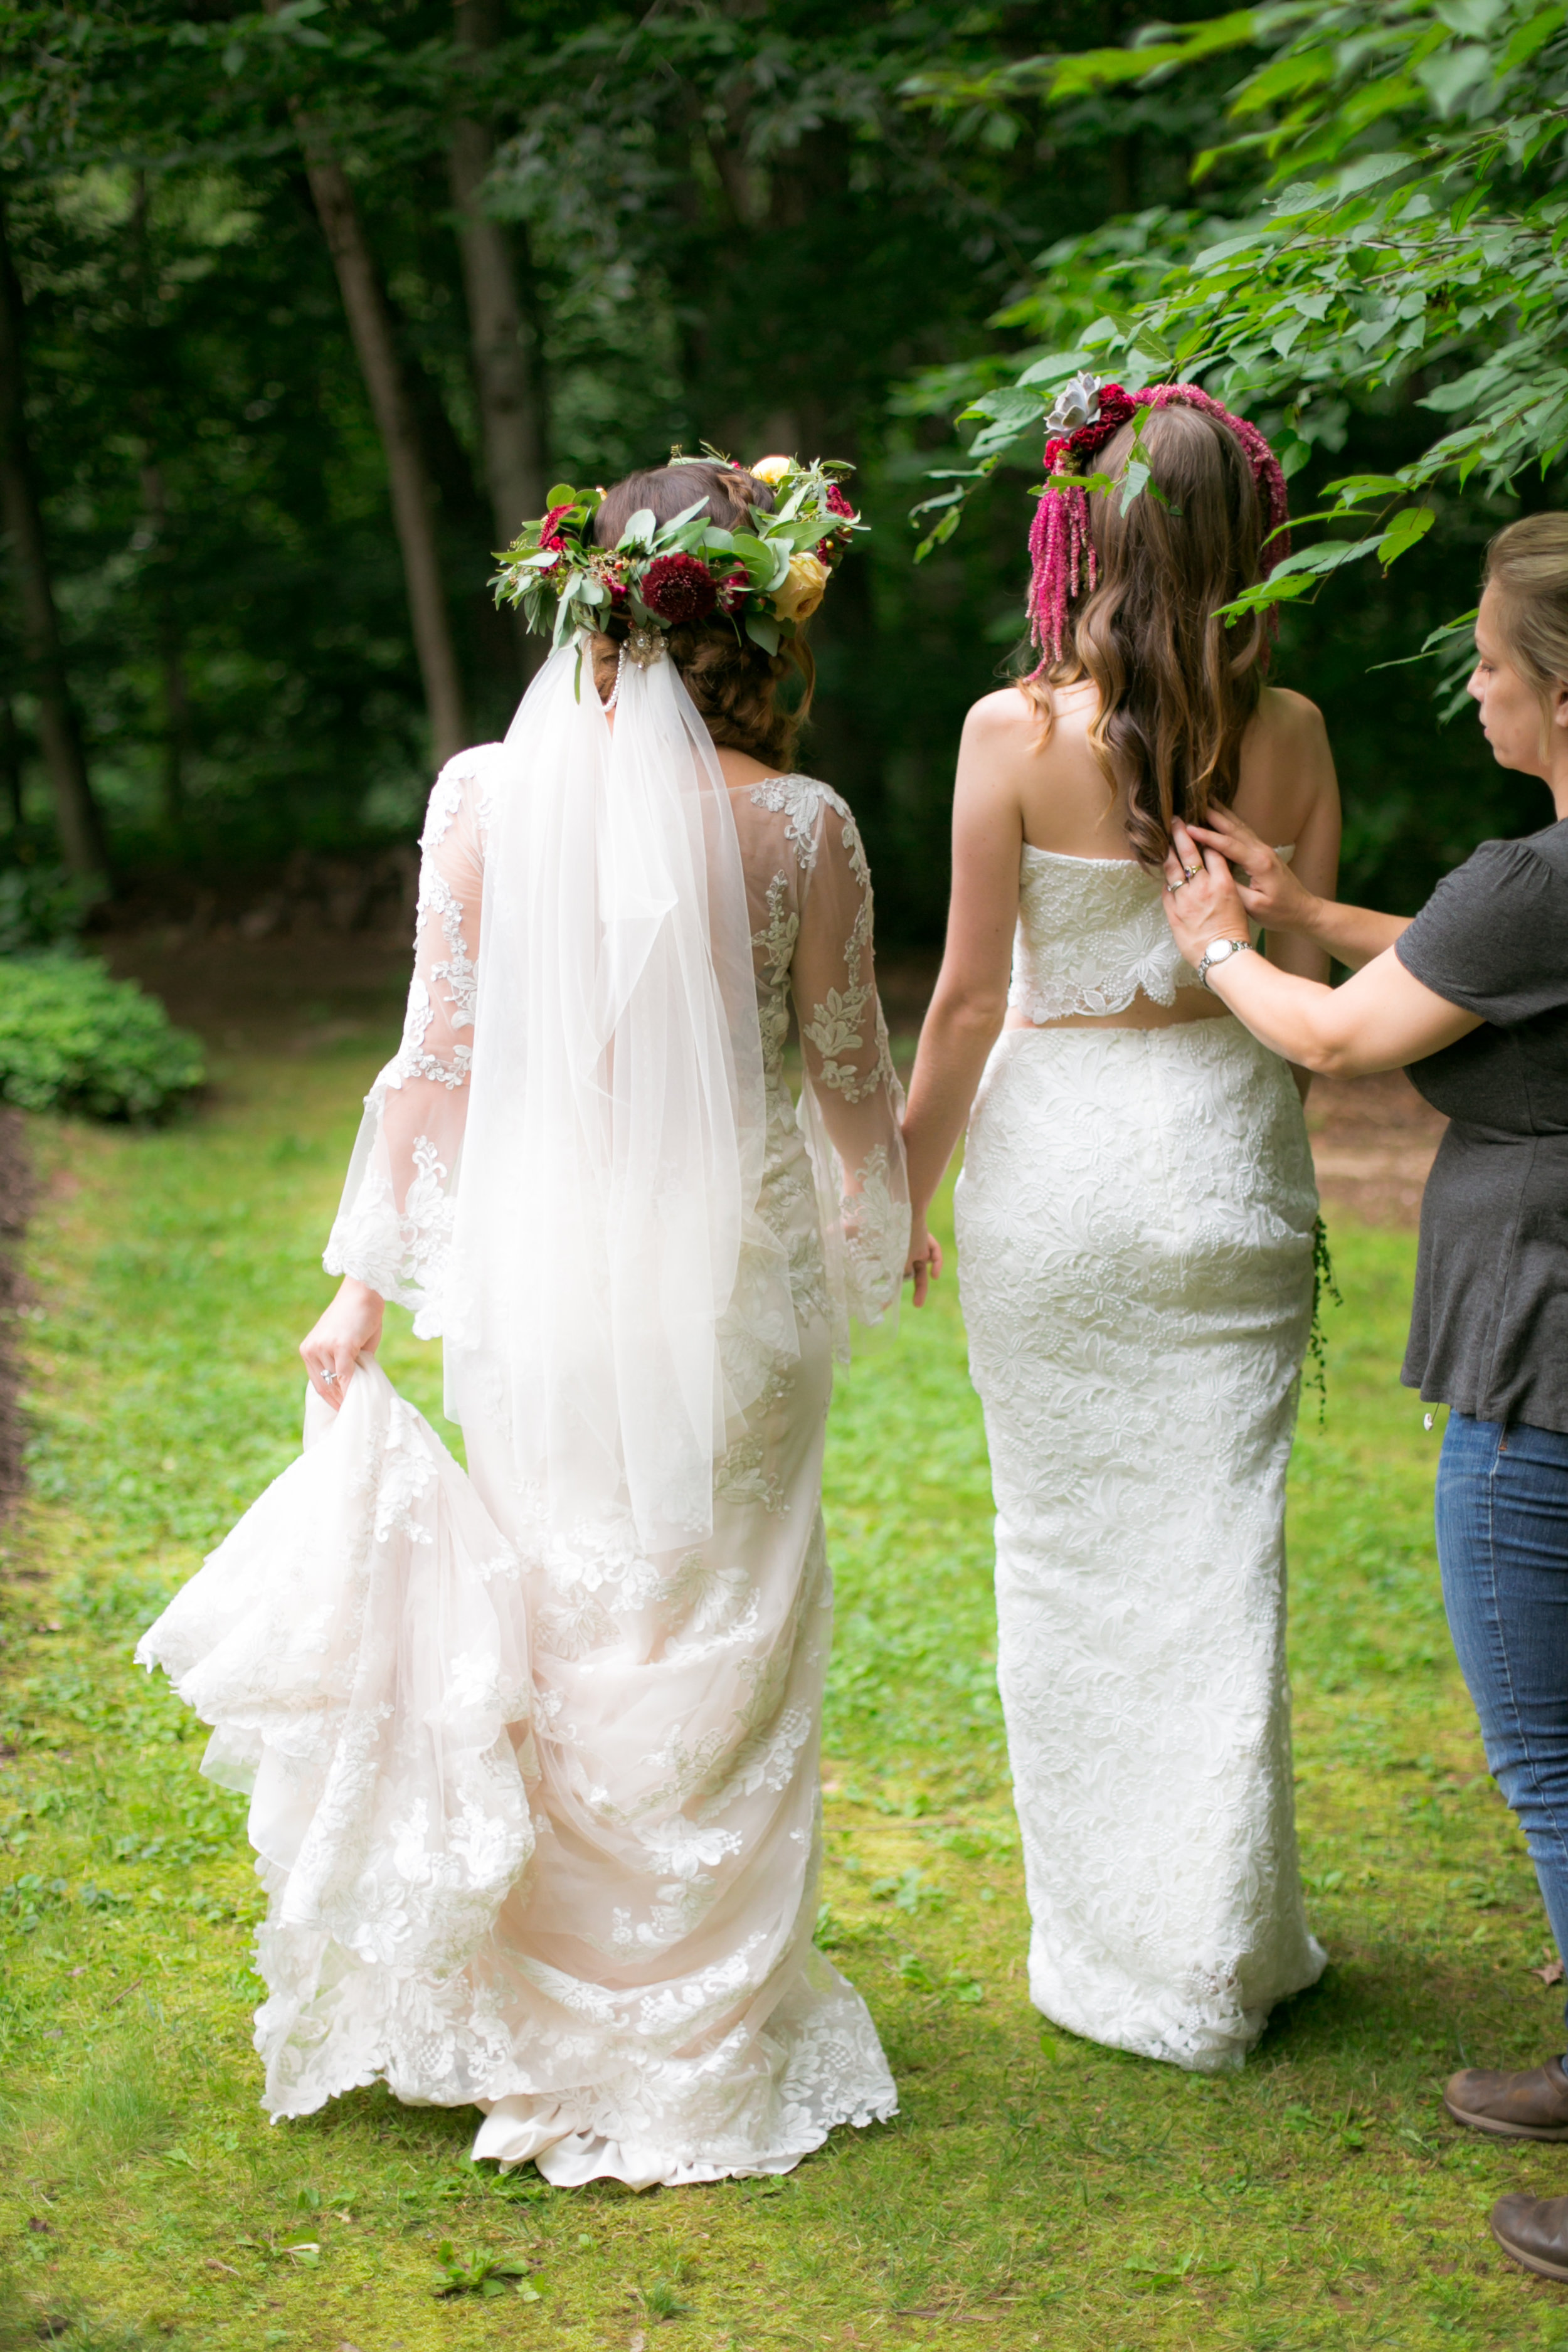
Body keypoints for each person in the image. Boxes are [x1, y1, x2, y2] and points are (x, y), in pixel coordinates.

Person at [138, 456, 911, 2188]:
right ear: (760, 617)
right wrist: (895, 1203)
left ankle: (562, 2006)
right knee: (722, 1614)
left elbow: (435, 1062)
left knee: (565, 1621)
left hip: (533, 1285)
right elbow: (849, 1075)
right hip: (736, 1294)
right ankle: (698, 2019)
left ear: (581, 602)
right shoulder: (798, 826)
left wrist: (361, 1285)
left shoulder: (482, 796)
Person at [898, 377, 1338, 2071]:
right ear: (1246, 538)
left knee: (1069, 1559)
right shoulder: (1288, 730)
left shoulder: (1010, 731)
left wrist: (907, 1189)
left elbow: (958, 1003)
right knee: (1225, 1565)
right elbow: (1286, 984)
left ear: (1081, 533)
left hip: (1056, 1172)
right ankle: (1228, 1939)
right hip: (1222, 1157)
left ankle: (1127, 1943)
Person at [1160, 510, 1568, 2277]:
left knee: (1550, 1755)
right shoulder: (1533, 892)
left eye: (1485, 661)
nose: (1468, 686)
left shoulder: (1529, 874)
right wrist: (1311, 908)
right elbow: (1465, 969)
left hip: (1543, 1362)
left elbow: (1336, 1038)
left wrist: (1216, 945)